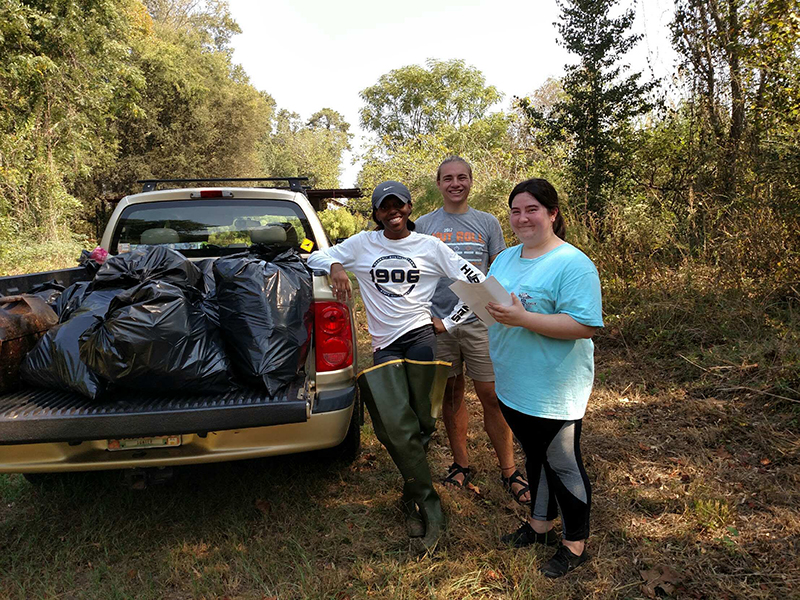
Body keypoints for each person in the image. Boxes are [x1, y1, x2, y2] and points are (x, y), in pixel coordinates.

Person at [306, 180, 485, 551]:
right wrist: (338, 264)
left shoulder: (430, 246)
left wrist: (449, 322)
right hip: (385, 346)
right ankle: (431, 506)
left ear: (409, 207)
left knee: (421, 423)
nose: (393, 213)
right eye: (385, 207)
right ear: (376, 213)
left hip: (421, 338)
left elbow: (478, 283)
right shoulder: (363, 244)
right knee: (393, 426)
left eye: (399, 205)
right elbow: (314, 257)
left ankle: (412, 499)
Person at [485, 178, 603, 578]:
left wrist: (523, 319)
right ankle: (539, 525)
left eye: (532, 209)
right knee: (534, 456)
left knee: (563, 463)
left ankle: (575, 544)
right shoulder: (504, 258)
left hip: (553, 386)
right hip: (513, 381)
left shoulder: (572, 264)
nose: (522, 218)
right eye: (516, 211)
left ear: (552, 213)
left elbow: (584, 324)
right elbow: (497, 306)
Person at [416, 156, 531, 505]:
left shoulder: (487, 222)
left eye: (462, 177)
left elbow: (499, 270)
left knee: (492, 395)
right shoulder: (423, 224)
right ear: (438, 184)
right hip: (439, 325)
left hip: (481, 322)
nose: (455, 183)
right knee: (451, 396)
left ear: (470, 182)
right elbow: (416, 272)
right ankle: (461, 464)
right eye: (448, 178)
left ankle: (509, 469)